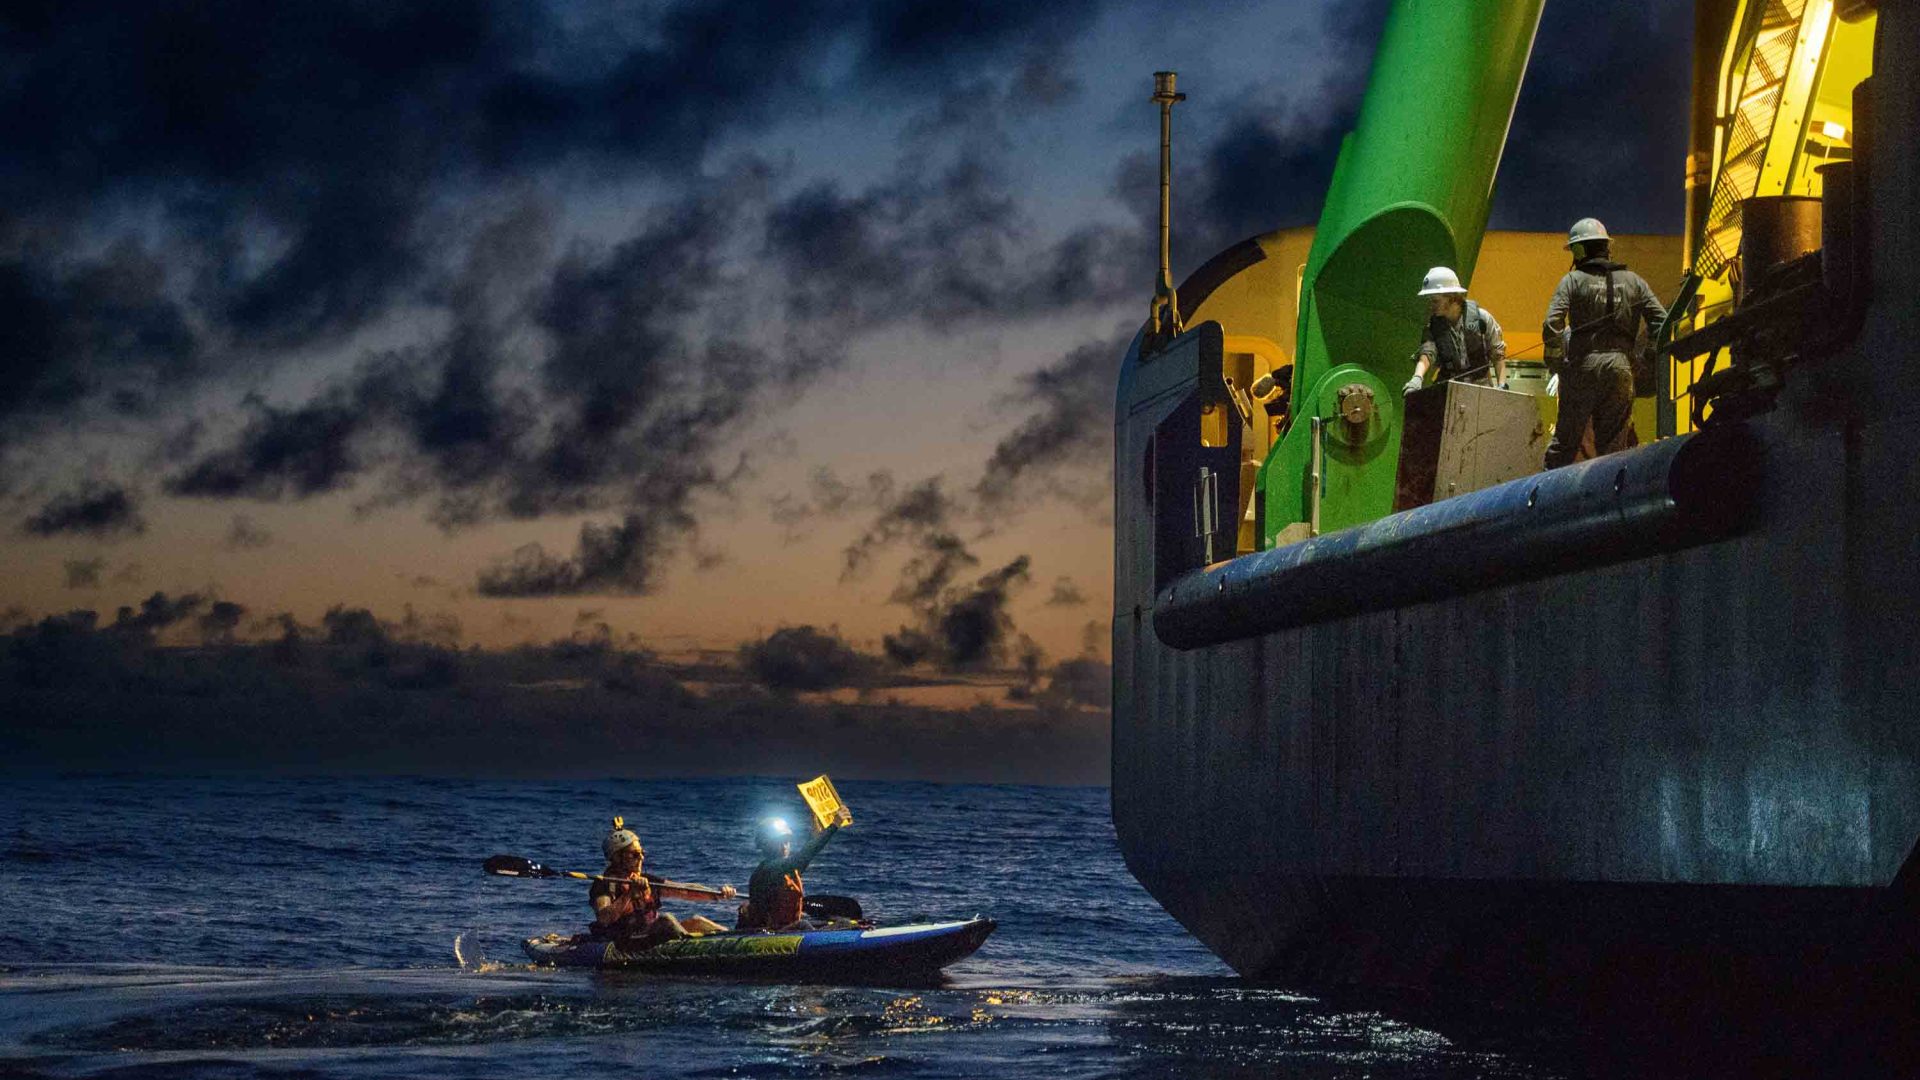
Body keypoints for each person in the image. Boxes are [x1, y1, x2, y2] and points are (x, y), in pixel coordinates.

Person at [1541, 218, 1668, 469]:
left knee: (1564, 445)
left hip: (1582, 369)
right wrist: (1647, 358)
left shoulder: (1573, 281)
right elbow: (1663, 322)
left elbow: (1552, 322)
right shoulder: (1634, 281)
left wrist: (1556, 360)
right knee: (1613, 451)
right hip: (1621, 371)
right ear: (1606, 247)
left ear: (1578, 250)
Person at [589, 817, 732, 947]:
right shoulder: (603, 884)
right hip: (626, 940)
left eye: (642, 853)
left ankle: (734, 938)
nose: (641, 858)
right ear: (617, 858)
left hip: (651, 934)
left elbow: (684, 890)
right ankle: (690, 948)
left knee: (697, 921)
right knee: (666, 920)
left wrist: (717, 894)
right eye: (634, 854)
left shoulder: (648, 881)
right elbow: (604, 918)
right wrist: (630, 894)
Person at [736, 810, 851, 932]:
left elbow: (806, 854)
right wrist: (834, 826)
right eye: (778, 842)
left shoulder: (788, 869)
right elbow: (805, 856)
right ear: (766, 844)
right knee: (803, 925)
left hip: (788, 928)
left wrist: (815, 834)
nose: (784, 846)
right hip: (770, 933)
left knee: (844, 923)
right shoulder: (768, 870)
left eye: (786, 841)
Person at [1404, 266, 1507, 395]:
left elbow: (1497, 354)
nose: (1431, 305)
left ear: (1452, 297)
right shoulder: (1433, 326)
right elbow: (1427, 353)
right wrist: (1417, 378)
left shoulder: (1482, 318)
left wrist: (1502, 386)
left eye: (1435, 301)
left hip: (1481, 389)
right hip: (1448, 389)